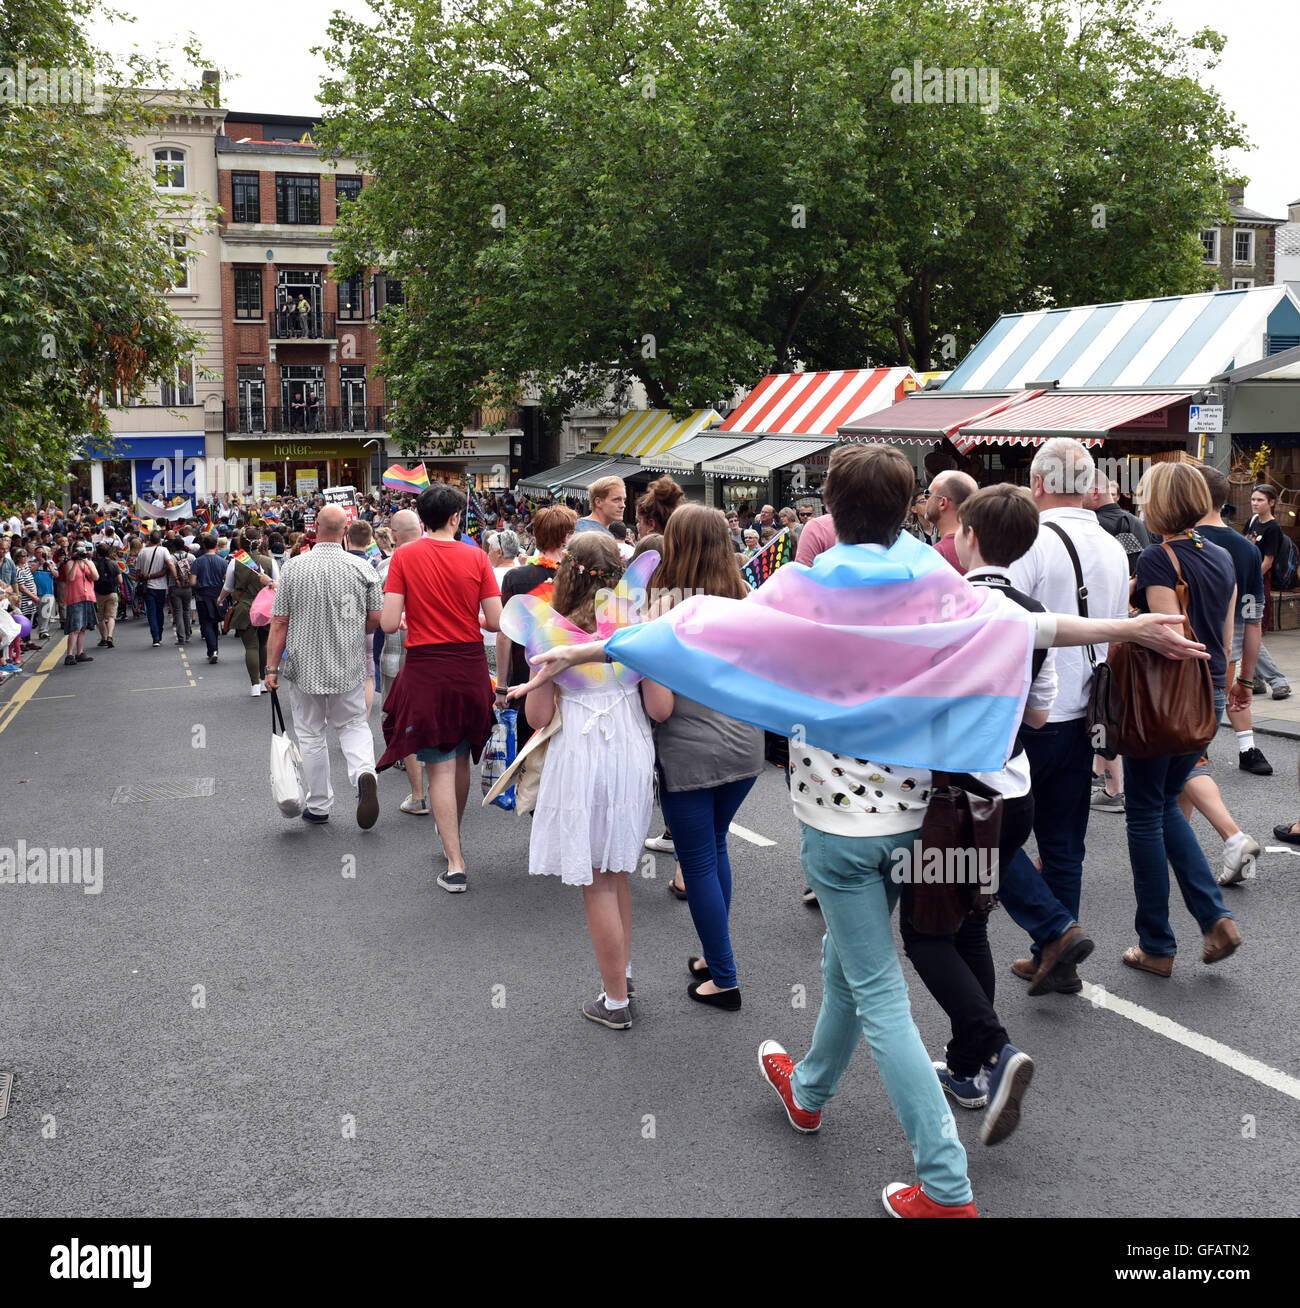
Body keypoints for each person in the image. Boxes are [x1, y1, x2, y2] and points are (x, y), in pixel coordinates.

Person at [512, 443, 1206, 1215]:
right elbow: (1029, 628)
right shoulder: (935, 582)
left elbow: (702, 628)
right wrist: (1133, 629)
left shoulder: (805, 587)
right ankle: (807, 1090)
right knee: (844, 958)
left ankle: (944, 1181)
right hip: (926, 819)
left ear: (829, 511)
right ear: (910, 507)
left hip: (839, 834)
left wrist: (586, 643)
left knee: (878, 990)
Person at [519, 531, 673, 1029]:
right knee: (618, 870)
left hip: (579, 757)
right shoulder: (640, 629)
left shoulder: (548, 635)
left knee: (597, 882)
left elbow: (538, 715)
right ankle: (621, 974)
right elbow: (661, 708)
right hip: (629, 751)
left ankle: (614, 1001)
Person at [1006, 438, 1128, 992]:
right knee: (1063, 842)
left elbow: (1014, 629)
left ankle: (1053, 935)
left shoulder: (1031, 541)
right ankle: (1057, 960)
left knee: (984, 839)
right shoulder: (1113, 544)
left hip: (1034, 715)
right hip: (1088, 714)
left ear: (1037, 484)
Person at [1122, 462, 1240, 976]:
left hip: (1169, 696)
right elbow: (1225, 633)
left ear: (1160, 503)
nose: (1140, 502)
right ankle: (1214, 918)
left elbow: (1168, 640)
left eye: (1145, 494)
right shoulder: (1221, 552)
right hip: (1209, 691)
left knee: (1144, 811)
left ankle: (1156, 944)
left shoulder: (1156, 557)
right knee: (1165, 802)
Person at [648, 505, 764, 1011]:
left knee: (696, 859)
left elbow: (661, 703)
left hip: (689, 750)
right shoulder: (749, 602)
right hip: (744, 746)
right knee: (714, 848)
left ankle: (724, 976)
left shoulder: (662, 610)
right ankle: (713, 956)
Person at [378, 484, 502, 891]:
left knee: (440, 764)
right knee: (463, 755)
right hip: (468, 666)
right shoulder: (478, 557)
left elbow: (388, 622)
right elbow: (496, 621)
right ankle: (453, 838)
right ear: (455, 518)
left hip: (427, 667)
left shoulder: (403, 557)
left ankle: (455, 860)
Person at [265, 505, 382, 829]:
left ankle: (318, 804)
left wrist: (271, 668)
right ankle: (363, 773)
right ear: (346, 530)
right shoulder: (363, 569)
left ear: (315, 528)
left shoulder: (293, 568)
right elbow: (375, 619)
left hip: (305, 666)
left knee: (311, 733)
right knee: (353, 725)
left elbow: (279, 622)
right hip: (348, 663)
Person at [496, 506, 575, 752]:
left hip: (526, 679)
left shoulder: (517, 577)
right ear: (565, 537)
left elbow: (505, 634)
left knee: (529, 760)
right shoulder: (578, 576)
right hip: (572, 676)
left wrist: (501, 685)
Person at [1245, 485, 1290, 699]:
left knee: (1250, 632)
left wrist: (1250, 580)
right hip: (1246, 582)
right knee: (1246, 632)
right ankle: (1256, 680)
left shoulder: (1273, 528)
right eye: (1253, 499)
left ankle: (1277, 680)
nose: (1255, 503)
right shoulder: (1253, 521)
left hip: (1257, 584)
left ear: (1271, 502)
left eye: (1260, 500)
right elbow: (1245, 545)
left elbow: (1268, 562)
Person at [220, 534, 273, 696]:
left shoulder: (235, 561)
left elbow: (228, 587)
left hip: (244, 608)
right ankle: (265, 682)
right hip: (265, 608)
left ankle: (255, 685)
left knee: (251, 646)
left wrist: (220, 599)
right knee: (263, 645)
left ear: (241, 543)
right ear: (259, 543)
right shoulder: (269, 561)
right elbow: (277, 584)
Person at [925, 470, 978, 573]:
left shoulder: (935, 556)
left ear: (942, 503)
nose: (925, 499)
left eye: (928, 494)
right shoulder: (986, 552)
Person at [134, 530, 176, 647]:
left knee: (151, 612)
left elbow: (137, 571)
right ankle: (159, 634)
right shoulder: (163, 550)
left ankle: (155, 637)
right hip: (161, 586)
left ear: (149, 539)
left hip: (147, 587)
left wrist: (143, 577)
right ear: (159, 540)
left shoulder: (142, 552)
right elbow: (170, 564)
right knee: (159, 611)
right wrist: (176, 577)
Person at [60, 543, 99, 666]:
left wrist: (87, 563)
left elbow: (96, 577)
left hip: (88, 597)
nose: (81, 552)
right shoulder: (70, 564)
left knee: (83, 628)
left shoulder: (89, 563)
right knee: (75, 628)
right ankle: (69, 655)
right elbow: (70, 578)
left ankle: (80, 653)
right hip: (75, 598)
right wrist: (76, 562)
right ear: (73, 552)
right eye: (78, 550)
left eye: (83, 549)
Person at [191, 534, 225, 664]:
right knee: (215, 621)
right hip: (218, 594)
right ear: (216, 545)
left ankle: (213, 650)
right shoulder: (222, 561)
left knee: (206, 623)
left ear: (204, 545)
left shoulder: (198, 561)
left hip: (202, 595)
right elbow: (227, 580)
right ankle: (213, 649)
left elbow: (192, 581)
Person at [167, 536, 194, 646]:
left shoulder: (171, 558)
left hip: (175, 586)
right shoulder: (191, 557)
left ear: (174, 546)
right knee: (186, 610)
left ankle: (181, 638)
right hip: (187, 587)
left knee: (177, 612)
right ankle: (188, 635)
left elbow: (167, 569)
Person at [91, 542, 119, 647]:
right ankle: (110, 636)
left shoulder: (94, 564)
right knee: (111, 616)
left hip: (98, 593)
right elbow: (120, 580)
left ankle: (103, 638)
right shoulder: (114, 564)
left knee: (100, 618)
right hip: (112, 592)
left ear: (97, 552)